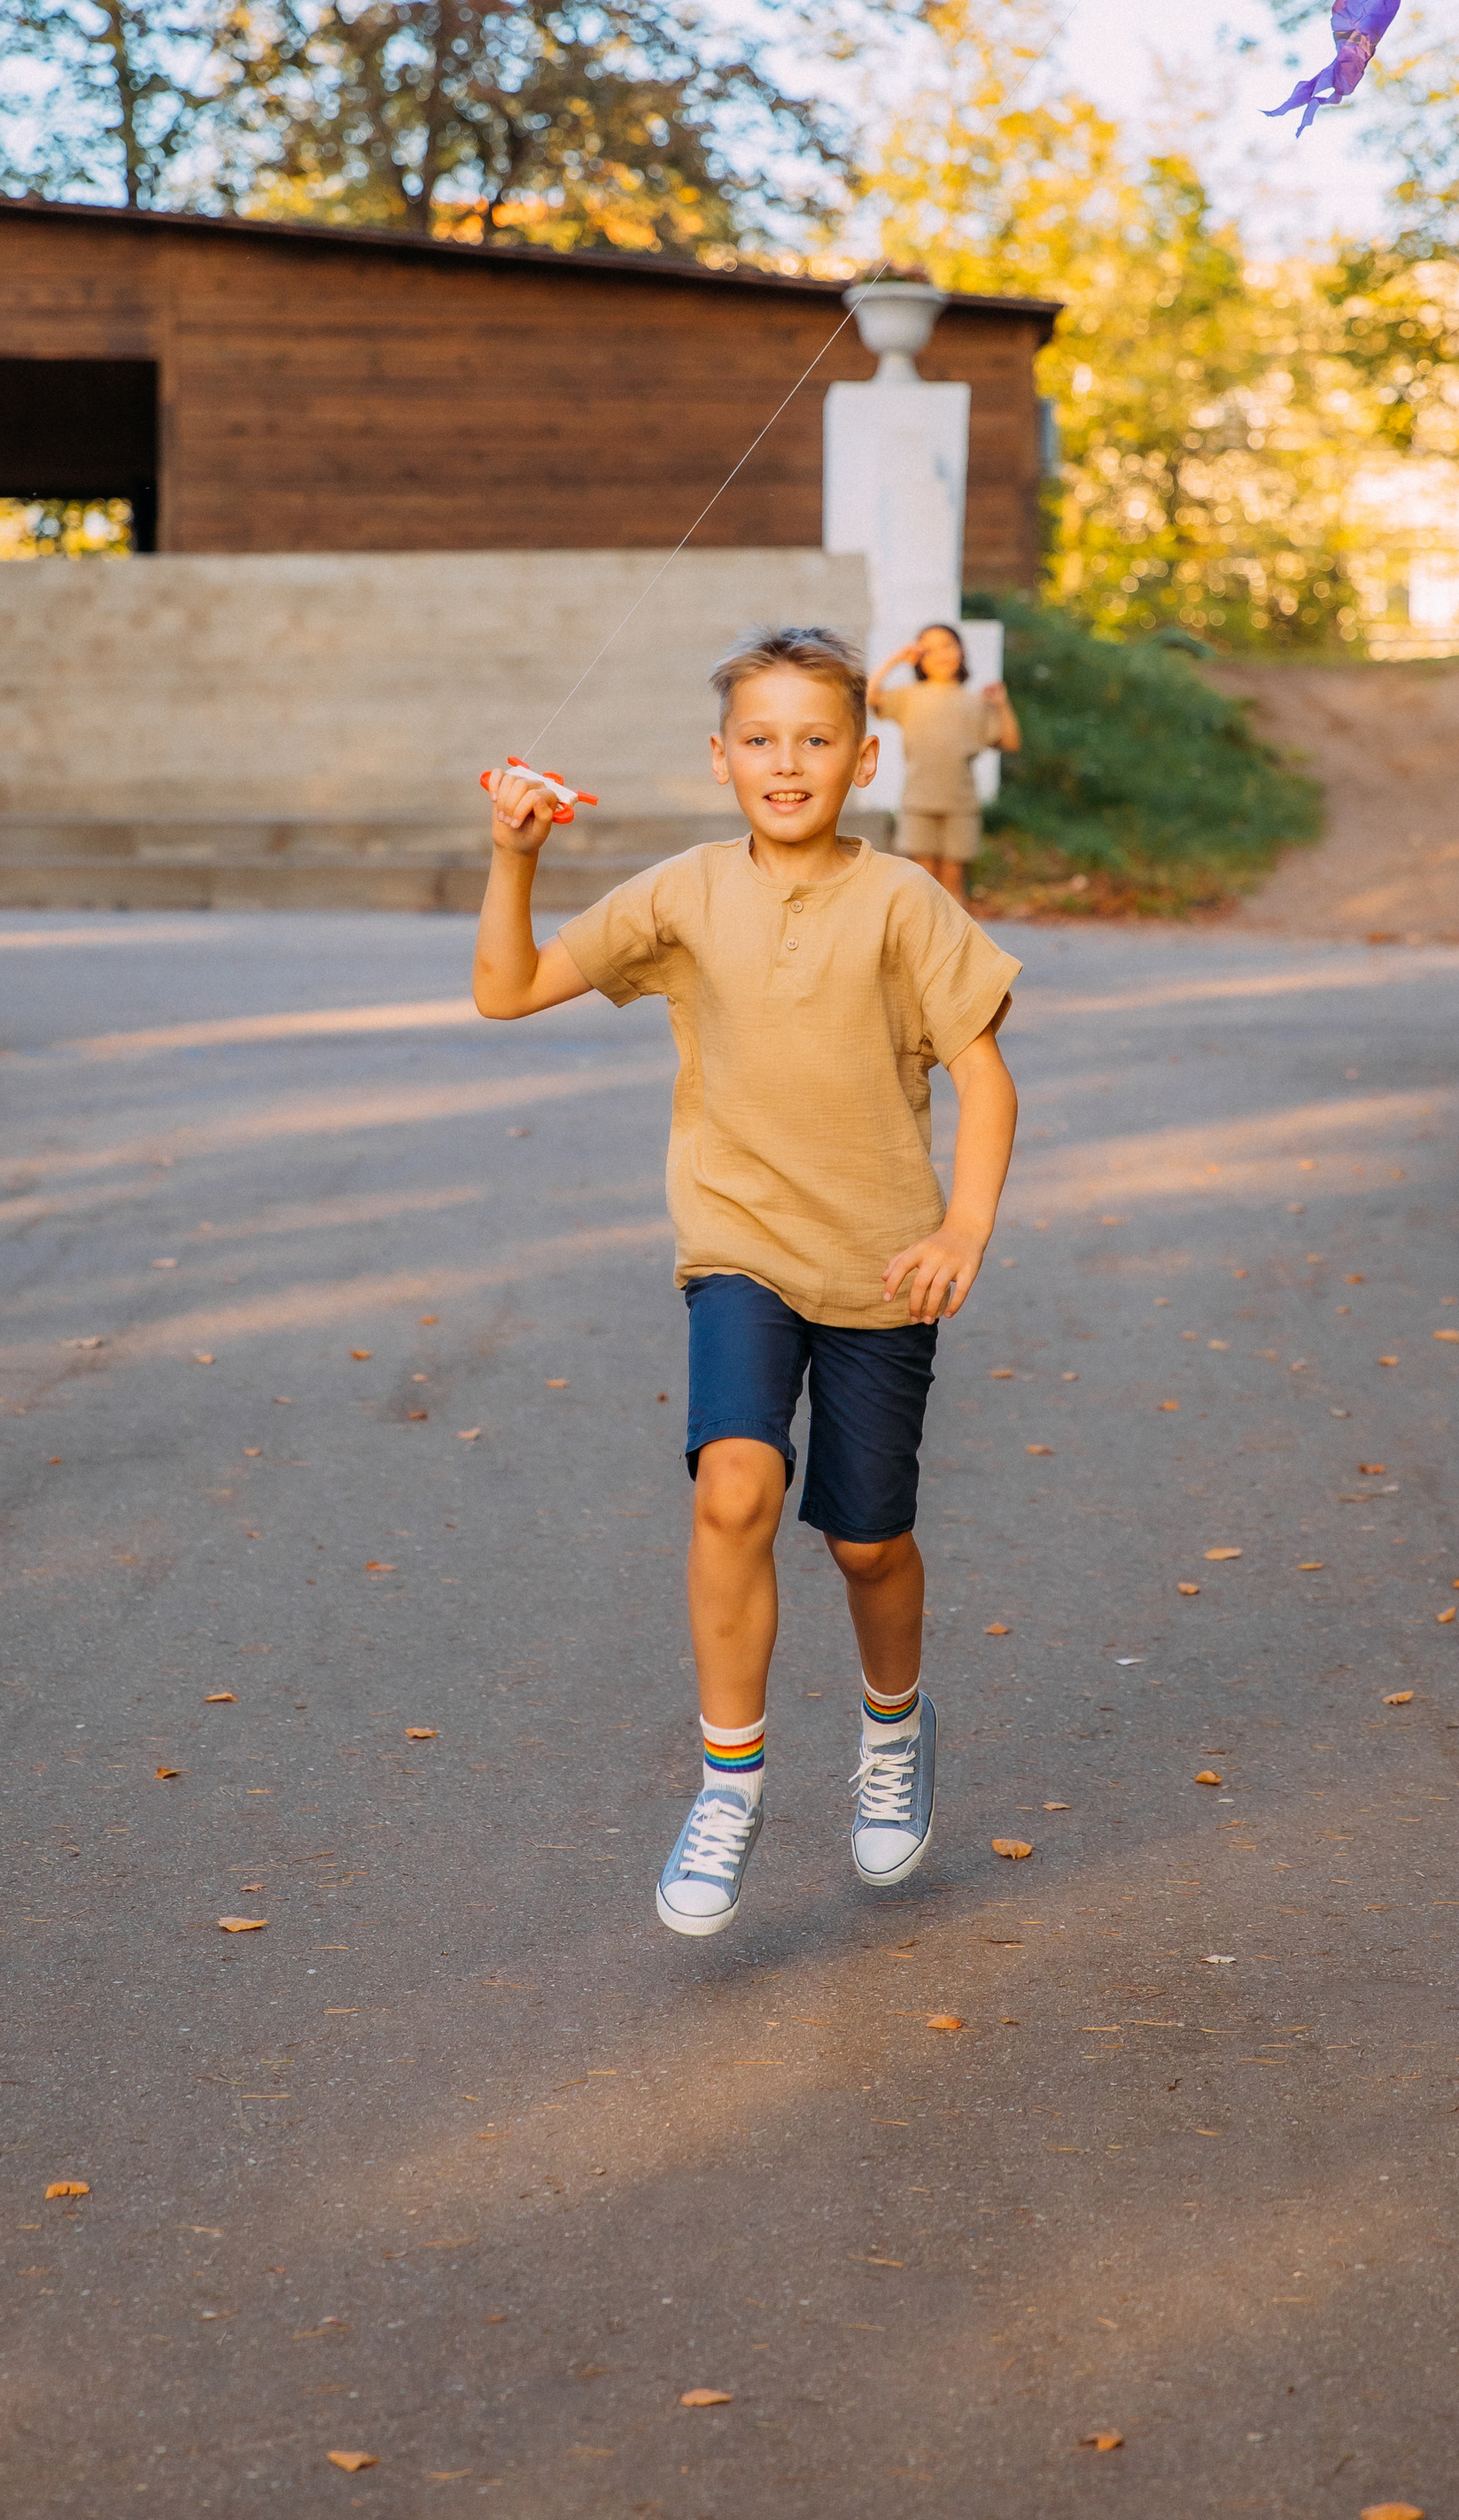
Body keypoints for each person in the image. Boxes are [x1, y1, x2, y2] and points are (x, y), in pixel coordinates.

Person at [474, 624, 1019, 1941]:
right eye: (761, 740)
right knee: (736, 1486)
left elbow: (988, 1082)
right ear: (720, 760)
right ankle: (730, 1784)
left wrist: (963, 1231)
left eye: (817, 739)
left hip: (884, 1267)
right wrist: (514, 858)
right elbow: (509, 990)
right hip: (740, 1250)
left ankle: (895, 1731)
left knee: (867, 1541)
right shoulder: (682, 896)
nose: (789, 763)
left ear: (865, 755)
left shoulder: (905, 904)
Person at [868, 623, 1022, 900]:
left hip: (961, 804)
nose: (940, 654)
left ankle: (956, 942)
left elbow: (1010, 742)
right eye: (929, 649)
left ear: (961, 650)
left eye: (947, 645)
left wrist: (1001, 704)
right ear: (919, 658)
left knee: (953, 880)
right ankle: (922, 943)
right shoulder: (908, 696)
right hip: (918, 801)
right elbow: (866, 697)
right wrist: (895, 660)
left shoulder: (975, 702)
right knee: (920, 880)